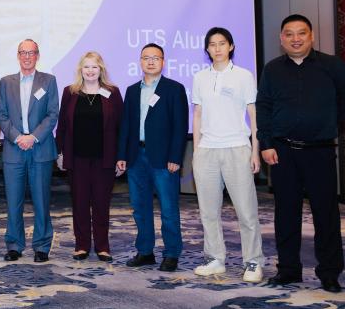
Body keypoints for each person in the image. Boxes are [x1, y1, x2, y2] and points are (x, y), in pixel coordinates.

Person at [257, 14, 345, 292]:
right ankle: (288, 270)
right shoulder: (272, 69)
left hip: (319, 151)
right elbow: (264, 107)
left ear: (312, 36)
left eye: (301, 33)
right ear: (281, 38)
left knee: (326, 213)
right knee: (286, 214)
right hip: (283, 152)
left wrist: (328, 126)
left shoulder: (332, 66)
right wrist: (267, 143)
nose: (295, 39)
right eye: (289, 34)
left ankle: (329, 272)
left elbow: (343, 102)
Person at [191, 27, 264, 283]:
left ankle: (253, 261)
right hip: (207, 151)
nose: (218, 48)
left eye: (222, 43)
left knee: (246, 210)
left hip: (237, 147)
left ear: (231, 46)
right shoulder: (200, 77)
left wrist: (254, 150)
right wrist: (196, 152)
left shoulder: (244, 76)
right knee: (208, 211)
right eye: (212, 44)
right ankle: (215, 259)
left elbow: (253, 115)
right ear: (207, 49)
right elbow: (197, 115)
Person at [116, 43, 188, 272]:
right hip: (136, 157)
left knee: (168, 208)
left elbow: (180, 127)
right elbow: (126, 126)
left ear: (163, 61)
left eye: (155, 58)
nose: (150, 61)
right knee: (140, 208)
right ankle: (145, 252)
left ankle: (171, 253)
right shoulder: (131, 90)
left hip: (164, 159)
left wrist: (176, 157)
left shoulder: (174, 89)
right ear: (140, 61)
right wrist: (122, 155)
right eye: (145, 57)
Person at [56, 51, 123, 263]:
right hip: (77, 159)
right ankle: (82, 245)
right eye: (87, 67)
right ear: (80, 70)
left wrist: (121, 157)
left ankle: (103, 246)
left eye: (95, 67)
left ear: (101, 69)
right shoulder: (70, 92)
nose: (91, 71)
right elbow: (63, 126)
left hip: (105, 159)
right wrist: (60, 153)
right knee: (80, 203)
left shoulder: (113, 92)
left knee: (102, 204)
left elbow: (122, 128)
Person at [0, 39, 58, 263]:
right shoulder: (5, 82)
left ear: (37, 55)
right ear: (18, 55)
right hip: (14, 150)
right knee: (13, 201)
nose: (27, 57)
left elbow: (52, 114)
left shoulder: (48, 81)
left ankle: (42, 246)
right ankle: (14, 245)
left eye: (31, 53)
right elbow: (0, 115)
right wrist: (17, 137)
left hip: (40, 149)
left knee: (42, 200)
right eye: (23, 52)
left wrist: (33, 137)